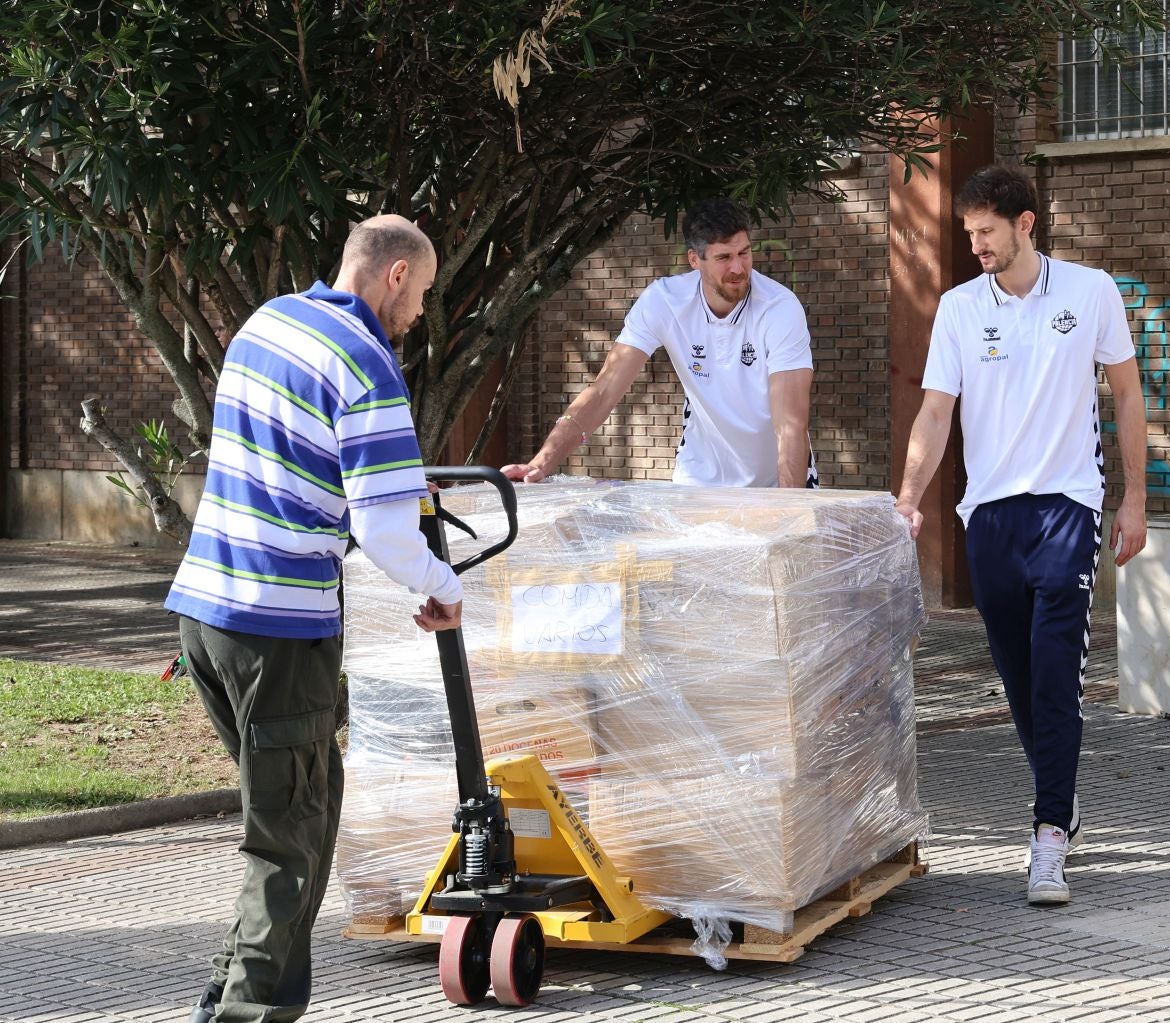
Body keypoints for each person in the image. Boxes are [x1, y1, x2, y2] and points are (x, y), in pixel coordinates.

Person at [164, 215, 464, 1023]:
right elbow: (384, 526)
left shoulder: (269, 321)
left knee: (299, 810)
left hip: (206, 613)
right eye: (424, 293)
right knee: (289, 839)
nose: (420, 314)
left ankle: (229, 991)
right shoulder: (364, 359)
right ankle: (243, 1013)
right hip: (278, 628)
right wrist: (443, 583)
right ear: (395, 274)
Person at [894, 164, 1148, 906]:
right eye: (968, 234)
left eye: (986, 232)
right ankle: (1062, 798)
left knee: (1054, 670)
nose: (975, 245)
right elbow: (936, 411)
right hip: (990, 515)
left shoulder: (1090, 291)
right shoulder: (958, 309)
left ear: (1025, 224)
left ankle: (1047, 836)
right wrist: (908, 498)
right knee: (1018, 679)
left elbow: (1128, 394)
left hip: (1068, 505)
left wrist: (1132, 499)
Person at [502, 198, 816, 487]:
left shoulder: (779, 308)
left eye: (744, 253)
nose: (738, 268)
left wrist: (787, 509)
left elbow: (790, 425)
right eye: (724, 257)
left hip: (778, 481)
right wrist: (541, 463)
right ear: (695, 260)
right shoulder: (664, 301)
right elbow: (602, 392)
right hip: (699, 477)